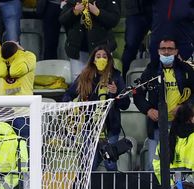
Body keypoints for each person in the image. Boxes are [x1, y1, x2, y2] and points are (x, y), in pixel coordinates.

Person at [62, 46, 129, 171]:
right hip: (89, 127)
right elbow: (68, 94)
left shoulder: (116, 76)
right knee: (89, 164)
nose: (101, 59)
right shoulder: (84, 76)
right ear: (93, 60)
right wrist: (71, 105)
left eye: (104, 56)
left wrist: (115, 93)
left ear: (109, 59)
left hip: (110, 128)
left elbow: (125, 105)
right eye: (98, 56)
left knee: (110, 162)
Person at [134, 38, 194, 171]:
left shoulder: (187, 70)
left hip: (182, 125)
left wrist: (184, 107)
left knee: (180, 166)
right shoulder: (151, 71)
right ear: (158, 51)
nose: (166, 52)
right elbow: (137, 94)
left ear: (176, 51)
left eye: (170, 49)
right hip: (157, 126)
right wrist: (148, 110)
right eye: (163, 49)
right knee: (152, 166)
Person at [59, 0, 120, 80]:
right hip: (77, 49)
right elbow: (62, 20)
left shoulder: (107, 2)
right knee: (78, 81)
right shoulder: (72, 1)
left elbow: (114, 20)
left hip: (101, 49)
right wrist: (74, 11)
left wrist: (98, 12)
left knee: (103, 80)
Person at [0, 40, 35, 138]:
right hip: (2, 109)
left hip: (22, 108)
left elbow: (15, 71)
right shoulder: (0, 58)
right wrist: (1, 53)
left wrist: (20, 52)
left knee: (25, 141)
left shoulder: (29, 56)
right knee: (2, 142)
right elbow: (1, 72)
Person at [121, 0, 151, 80]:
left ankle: (163, 81)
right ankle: (124, 84)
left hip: (157, 9)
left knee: (161, 43)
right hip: (134, 10)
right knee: (130, 47)